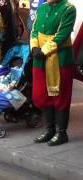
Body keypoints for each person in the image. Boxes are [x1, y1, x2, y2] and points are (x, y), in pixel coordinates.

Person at [31, 0, 76, 146]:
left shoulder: (69, 9)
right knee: (42, 94)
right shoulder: (42, 8)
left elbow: (62, 35)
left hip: (60, 59)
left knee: (61, 96)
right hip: (40, 59)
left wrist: (43, 50)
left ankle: (61, 133)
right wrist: (34, 47)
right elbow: (34, 30)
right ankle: (49, 130)